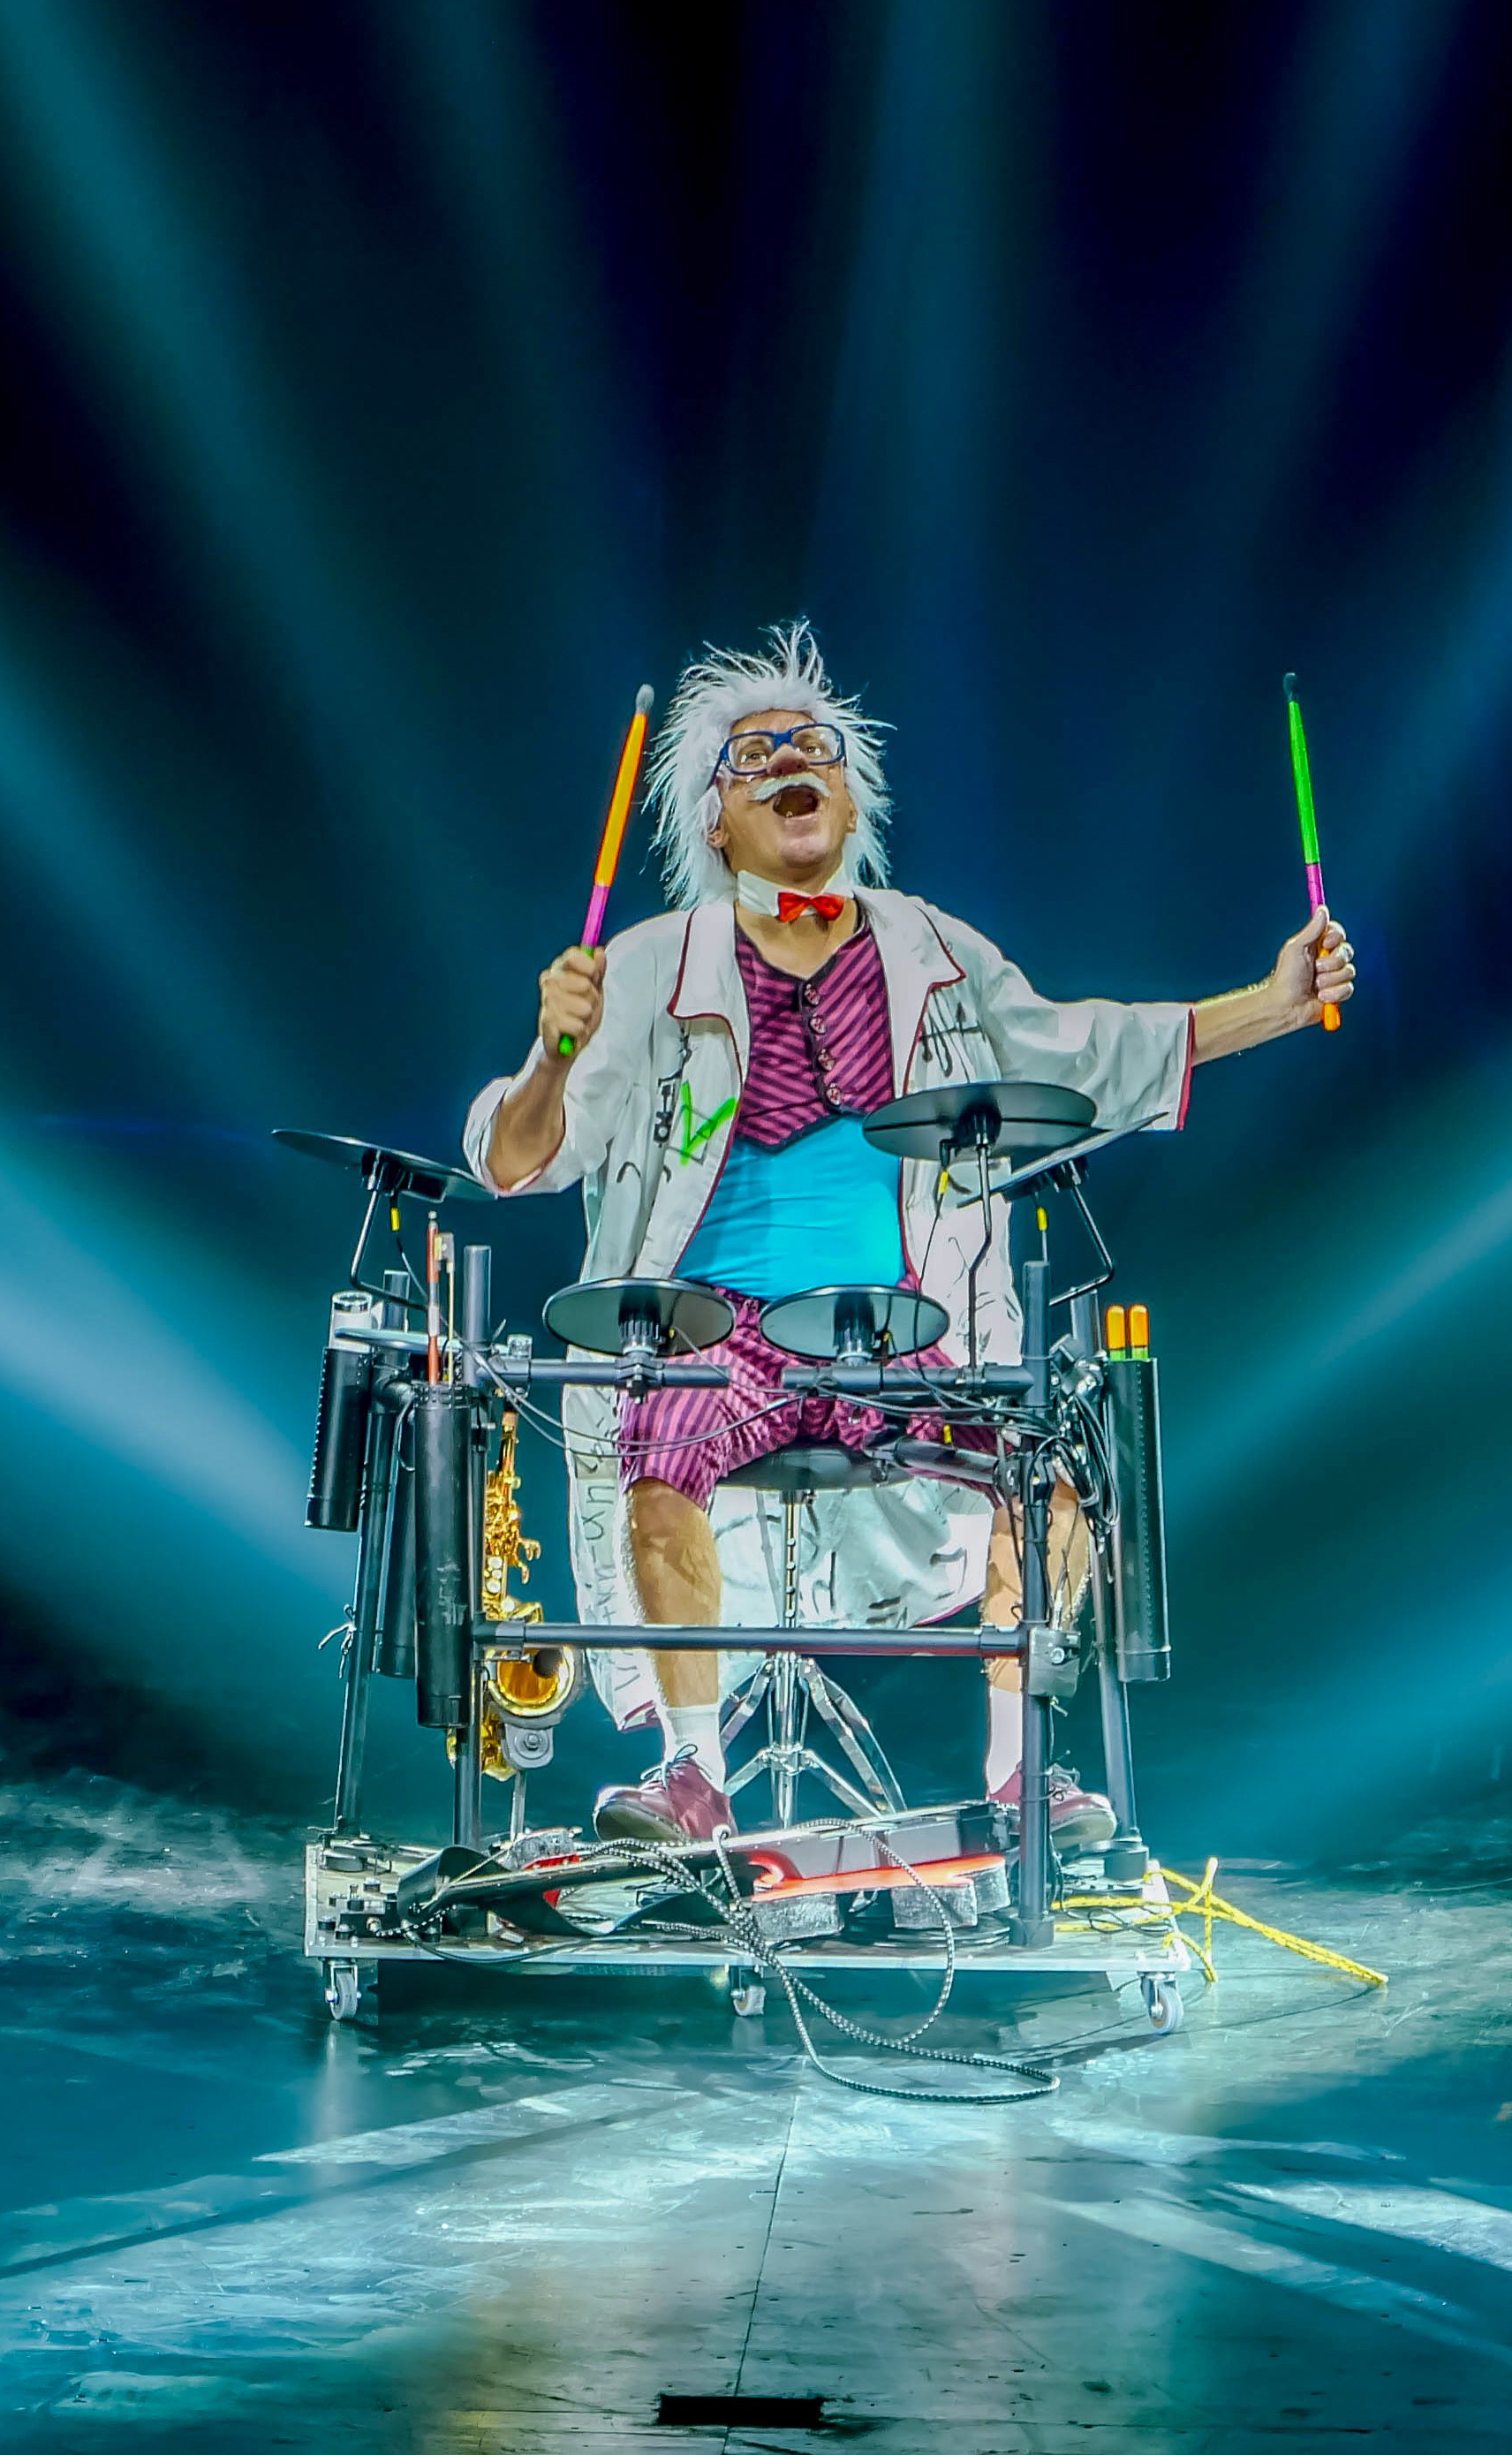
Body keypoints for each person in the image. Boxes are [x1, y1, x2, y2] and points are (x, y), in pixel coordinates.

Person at [467, 623, 1354, 1845]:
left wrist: (1275, 1001)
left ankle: (1016, 1775)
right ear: (716, 820)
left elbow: (1086, 1050)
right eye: (754, 753)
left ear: (844, 789)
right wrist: (550, 1052)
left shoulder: (929, 948)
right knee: (655, 1469)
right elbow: (516, 1160)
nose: (789, 761)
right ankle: (689, 1777)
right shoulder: (644, 965)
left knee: (1041, 1477)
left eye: (812, 746)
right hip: (713, 1334)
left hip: (894, 1335)